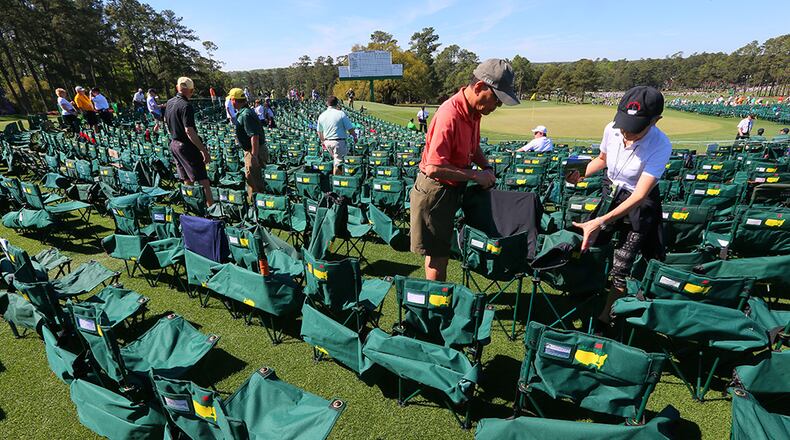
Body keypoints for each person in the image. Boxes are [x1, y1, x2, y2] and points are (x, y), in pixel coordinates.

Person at [568, 86, 671, 335]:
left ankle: (606, 317)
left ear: (655, 120)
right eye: (624, 124)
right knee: (589, 244)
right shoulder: (611, 129)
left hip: (639, 203)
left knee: (621, 266)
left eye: (635, 128)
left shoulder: (661, 144)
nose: (626, 132)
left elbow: (639, 195)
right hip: (610, 191)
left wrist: (601, 220)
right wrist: (579, 175)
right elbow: (602, 159)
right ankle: (584, 289)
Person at [410, 58, 519, 281]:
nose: (496, 107)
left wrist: (486, 166)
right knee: (437, 255)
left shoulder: (474, 112)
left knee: (444, 251)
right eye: (496, 100)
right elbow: (433, 167)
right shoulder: (449, 114)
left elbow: (473, 145)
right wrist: (475, 175)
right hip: (436, 191)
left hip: (453, 187)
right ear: (480, 87)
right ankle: (437, 306)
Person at [165, 77, 214, 207]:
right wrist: (203, 150)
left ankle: (194, 208)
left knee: (187, 179)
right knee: (203, 181)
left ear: (177, 88)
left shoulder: (169, 102)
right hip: (186, 146)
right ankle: (213, 211)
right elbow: (189, 131)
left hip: (174, 144)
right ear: (191, 91)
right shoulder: (186, 106)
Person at [229, 88, 268, 201]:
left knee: (254, 178)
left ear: (234, 100)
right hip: (252, 150)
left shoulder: (245, 114)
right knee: (253, 178)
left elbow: (254, 136)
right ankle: (255, 201)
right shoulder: (244, 112)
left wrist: (254, 156)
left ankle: (257, 203)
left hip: (254, 150)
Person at [317, 95, 358, 175]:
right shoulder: (340, 114)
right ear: (337, 103)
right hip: (338, 142)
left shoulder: (322, 115)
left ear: (327, 103)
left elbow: (319, 131)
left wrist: (322, 141)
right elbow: (350, 128)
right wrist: (355, 136)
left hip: (327, 142)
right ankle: (336, 182)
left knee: (336, 161)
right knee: (338, 164)